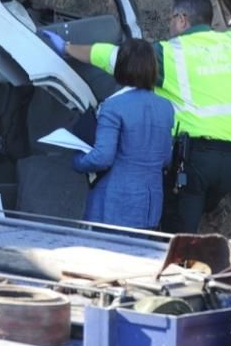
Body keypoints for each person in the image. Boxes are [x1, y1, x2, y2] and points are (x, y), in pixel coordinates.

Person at [43, 0, 231, 232]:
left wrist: (67, 48)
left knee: (177, 236)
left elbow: (113, 55)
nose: (170, 26)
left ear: (182, 19)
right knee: (194, 214)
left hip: (194, 162)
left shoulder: (168, 53)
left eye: (171, 19)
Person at [70, 39, 174, 229]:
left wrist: (78, 160)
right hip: (150, 204)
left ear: (121, 67)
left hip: (114, 202)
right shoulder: (166, 107)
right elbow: (166, 158)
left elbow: (102, 157)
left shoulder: (113, 106)